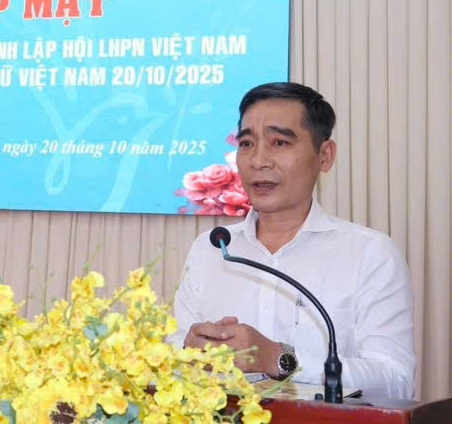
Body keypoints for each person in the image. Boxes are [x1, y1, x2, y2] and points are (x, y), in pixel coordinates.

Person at [168, 82, 415, 399]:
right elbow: (174, 351)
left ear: (324, 156)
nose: (258, 160)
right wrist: (187, 352)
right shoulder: (213, 247)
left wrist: (278, 358)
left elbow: (395, 380)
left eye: (279, 142)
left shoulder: (370, 254)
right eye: (247, 143)